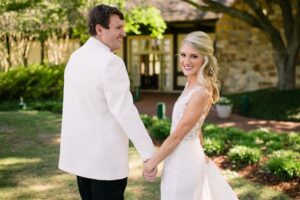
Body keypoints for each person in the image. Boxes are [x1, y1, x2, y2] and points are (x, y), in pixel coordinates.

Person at [58, 4, 156, 200]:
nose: (124, 33)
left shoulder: (75, 57)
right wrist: (149, 153)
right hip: (105, 161)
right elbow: (125, 111)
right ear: (99, 29)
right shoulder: (111, 62)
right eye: (118, 28)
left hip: (81, 158)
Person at [144, 31, 239, 200]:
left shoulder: (199, 92)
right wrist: (200, 153)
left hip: (184, 163)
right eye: (183, 55)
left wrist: (152, 162)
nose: (186, 62)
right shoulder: (191, 83)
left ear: (205, 58)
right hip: (182, 156)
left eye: (194, 56)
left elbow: (177, 136)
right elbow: (198, 129)